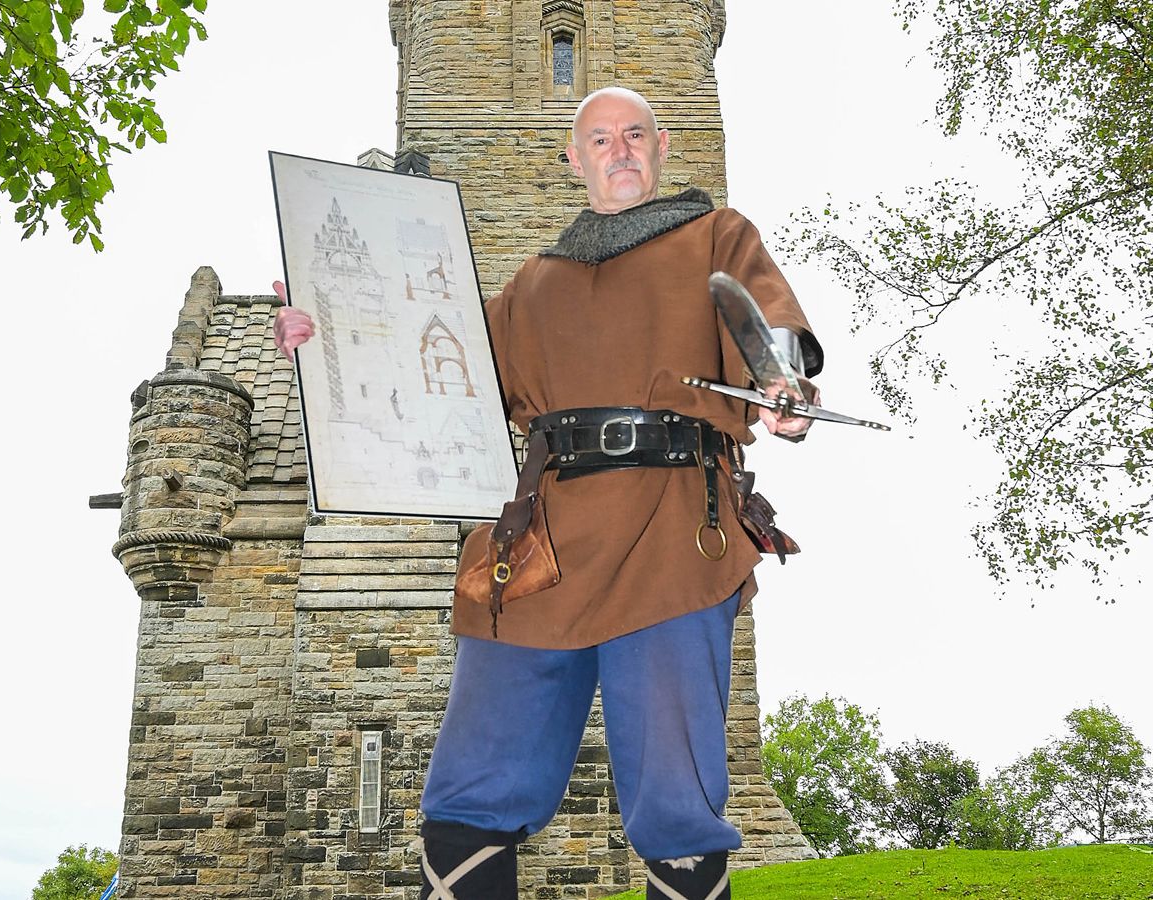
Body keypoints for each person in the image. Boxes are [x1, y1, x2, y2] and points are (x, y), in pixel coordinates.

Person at [274, 86, 822, 900]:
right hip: (538, 547)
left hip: (673, 535)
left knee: (677, 808)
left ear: (663, 146)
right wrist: (321, 341)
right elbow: (433, 381)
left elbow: (768, 330)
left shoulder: (718, 235)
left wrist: (784, 384)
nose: (621, 151)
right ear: (575, 160)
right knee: (470, 794)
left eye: (635, 135)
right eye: (600, 140)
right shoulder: (531, 284)